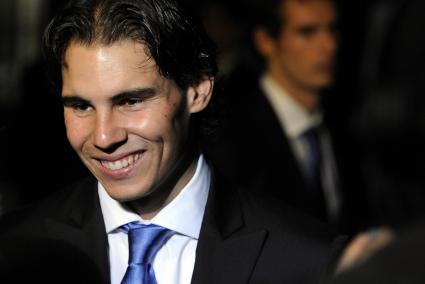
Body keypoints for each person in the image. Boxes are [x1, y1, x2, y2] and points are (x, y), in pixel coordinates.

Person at [0, 0, 347, 283]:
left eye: (131, 101)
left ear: (197, 90)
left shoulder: (310, 261)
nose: (103, 136)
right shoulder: (15, 249)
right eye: (80, 106)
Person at [207, 0, 357, 230]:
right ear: (265, 41)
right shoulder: (231, 135)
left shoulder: (341, 124)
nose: (329, 45)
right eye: (307, 32)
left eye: (332, 29)